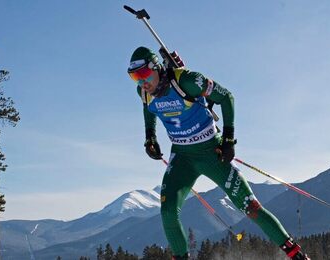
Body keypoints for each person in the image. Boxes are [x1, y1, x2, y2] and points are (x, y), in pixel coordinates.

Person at [128, 46, 310, 260]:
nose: (142, 83)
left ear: (156, 67)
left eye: (143, 75)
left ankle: (296, 254)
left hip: (211, 153)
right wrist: (150, 136)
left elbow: (226, 97)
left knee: (251, 208)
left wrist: (228, 139)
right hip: (183, 157)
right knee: (167, 211)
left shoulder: (187, 81)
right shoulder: (144, 93)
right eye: (134, 78)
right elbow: (148, 108)